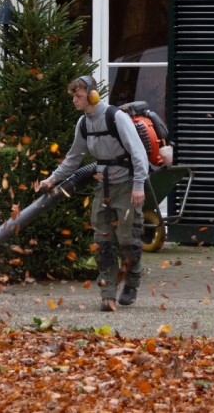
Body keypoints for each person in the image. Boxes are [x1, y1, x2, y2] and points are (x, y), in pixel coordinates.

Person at [40, 76, 149, 311]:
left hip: (127, 185)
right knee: (101, 244)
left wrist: (139, 184)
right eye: (73, 97)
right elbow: (74, 157)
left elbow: (138, 151)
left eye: (78, 96)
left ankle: (132, 281)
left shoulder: (115, 117)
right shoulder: (83, 123)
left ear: (93, 95)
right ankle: (108, 295)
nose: (74, 101)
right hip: (103, 187)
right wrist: (52, 179)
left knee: (129, 241)